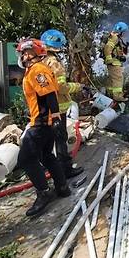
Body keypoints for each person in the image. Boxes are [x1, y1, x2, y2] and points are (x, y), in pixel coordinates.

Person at [15, 39, 70, 217]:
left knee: (25, 158)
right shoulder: (34, 70)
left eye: (25, 53)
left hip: (41, 123)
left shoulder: (38, 70)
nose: (22, 56)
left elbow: (50, 95)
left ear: (34, 52)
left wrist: (54, 118)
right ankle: (62, 187)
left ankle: (43, 192)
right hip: (43, 121)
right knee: (46, 155)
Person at [40, 29, 85, 178]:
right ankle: (65, 170)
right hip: (58, 107)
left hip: (43, 107)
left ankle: (51, 168)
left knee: (48, 140)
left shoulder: (40, 61)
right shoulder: (54, 63)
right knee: (60, 139)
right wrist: (78, 86)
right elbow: (61, 87)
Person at [103, 22, 129, 102]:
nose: (126, 33)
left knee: (112, 80)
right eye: (125, 31)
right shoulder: (115, 37)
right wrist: (110, 60)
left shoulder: (116, 38)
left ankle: (110, 95)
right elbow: (107, 48)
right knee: (118, 79)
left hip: (115, 62)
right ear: (120, 31)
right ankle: (118, 97)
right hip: (114, 62)